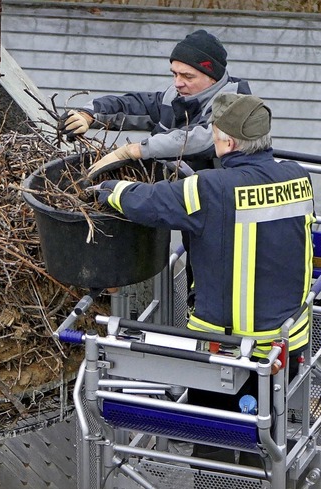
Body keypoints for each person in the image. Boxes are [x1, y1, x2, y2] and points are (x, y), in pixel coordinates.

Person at [94, 92, 314, 463]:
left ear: (227, 141)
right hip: (288, 342)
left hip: (229, 350)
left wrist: (110, 191)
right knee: (268, 432)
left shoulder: (210, 188)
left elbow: (149, 204)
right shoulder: (298, 177)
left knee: (213, 447)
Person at [62, 29, 252, 303]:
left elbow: (203, 138)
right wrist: (89, 114)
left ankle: (212, 331)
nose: (178, 83)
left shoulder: (236, 104)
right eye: (174, 74)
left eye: (188, 76)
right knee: (196, 276)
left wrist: (136, 149)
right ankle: (191, 322)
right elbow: (134, 105)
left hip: (226, 217)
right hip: (191, 210)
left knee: (217, 284)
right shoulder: (175, 99)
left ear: (213, 77)